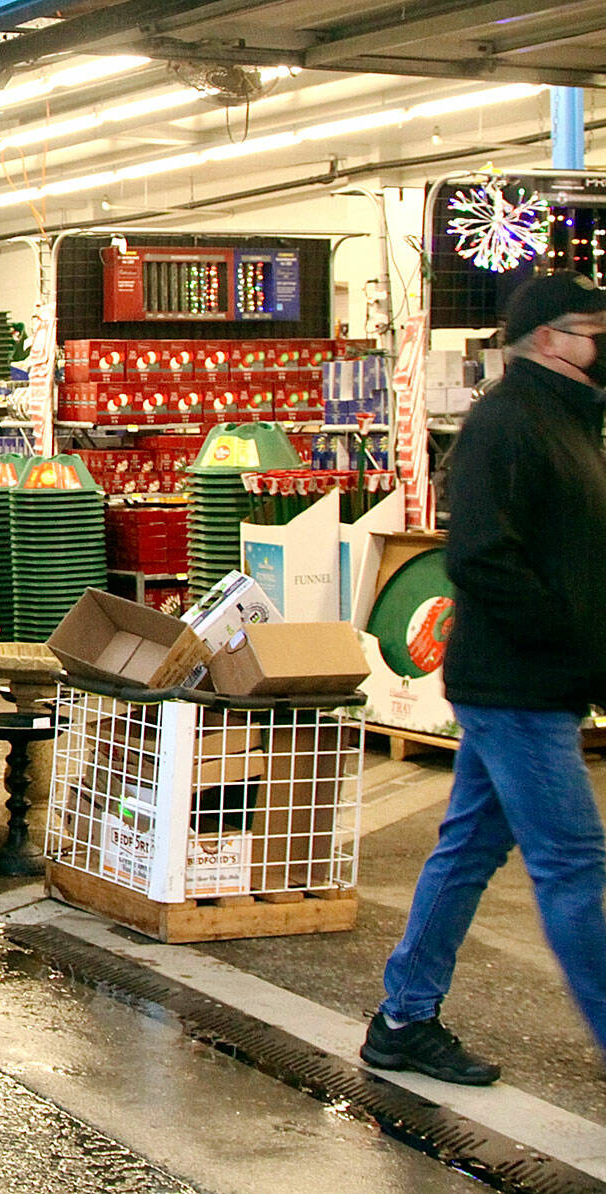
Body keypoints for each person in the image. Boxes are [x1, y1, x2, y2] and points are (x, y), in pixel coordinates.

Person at [363, 272, 606, 1086]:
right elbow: (481, 560)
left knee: (466, 849)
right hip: (517, 688)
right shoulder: (506, 425)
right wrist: (571, 643)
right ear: (547, 338)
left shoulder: (569, 422)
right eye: (591, 330)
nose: (601, 344)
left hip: (538, 684)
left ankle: (402, 1017)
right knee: (574, 865)